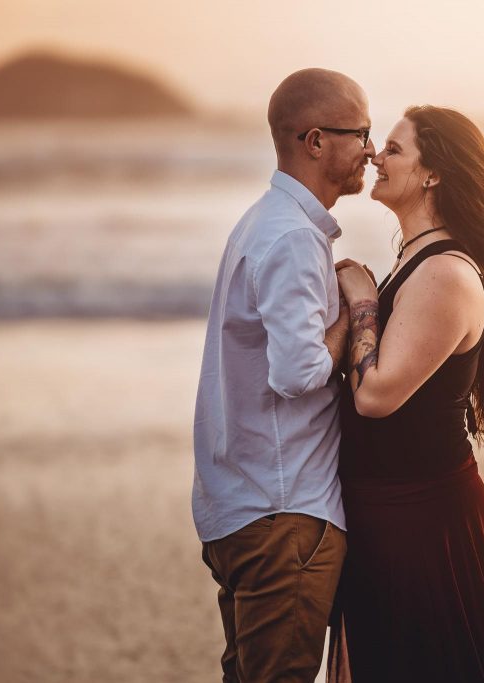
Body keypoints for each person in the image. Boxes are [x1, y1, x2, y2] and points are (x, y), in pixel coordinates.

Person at [329, 106, 484, 683]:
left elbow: (376, 396)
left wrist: (362, 299)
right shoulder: (417, 263)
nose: (373, 156)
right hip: (389, 510)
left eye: (392, 148)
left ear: (433, 173)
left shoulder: (445, 274)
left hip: (419, 520)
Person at [192, 68, 374, 682]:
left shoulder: (262, 222)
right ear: (316, 141)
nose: (371, 150)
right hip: (284, 513)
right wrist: (355, 309)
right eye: (362, 133)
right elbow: (299, 373)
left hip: (244, 506)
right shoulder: (293, 237)